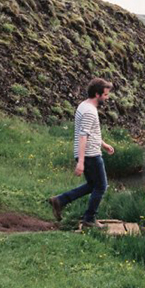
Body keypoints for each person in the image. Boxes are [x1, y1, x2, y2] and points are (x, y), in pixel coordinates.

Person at [48, 78, 115, 228]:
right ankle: (89, 219)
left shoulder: (83, 106)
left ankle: (60, 200)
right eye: (105, 95)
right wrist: (81, 162)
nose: (107, 97)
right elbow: (83, 136)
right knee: (101, 186)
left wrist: (103, 144)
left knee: (92, 185)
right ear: (97, 94)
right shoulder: (90, 112)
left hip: (91, 152)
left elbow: (90, 132)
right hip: (90, 155)